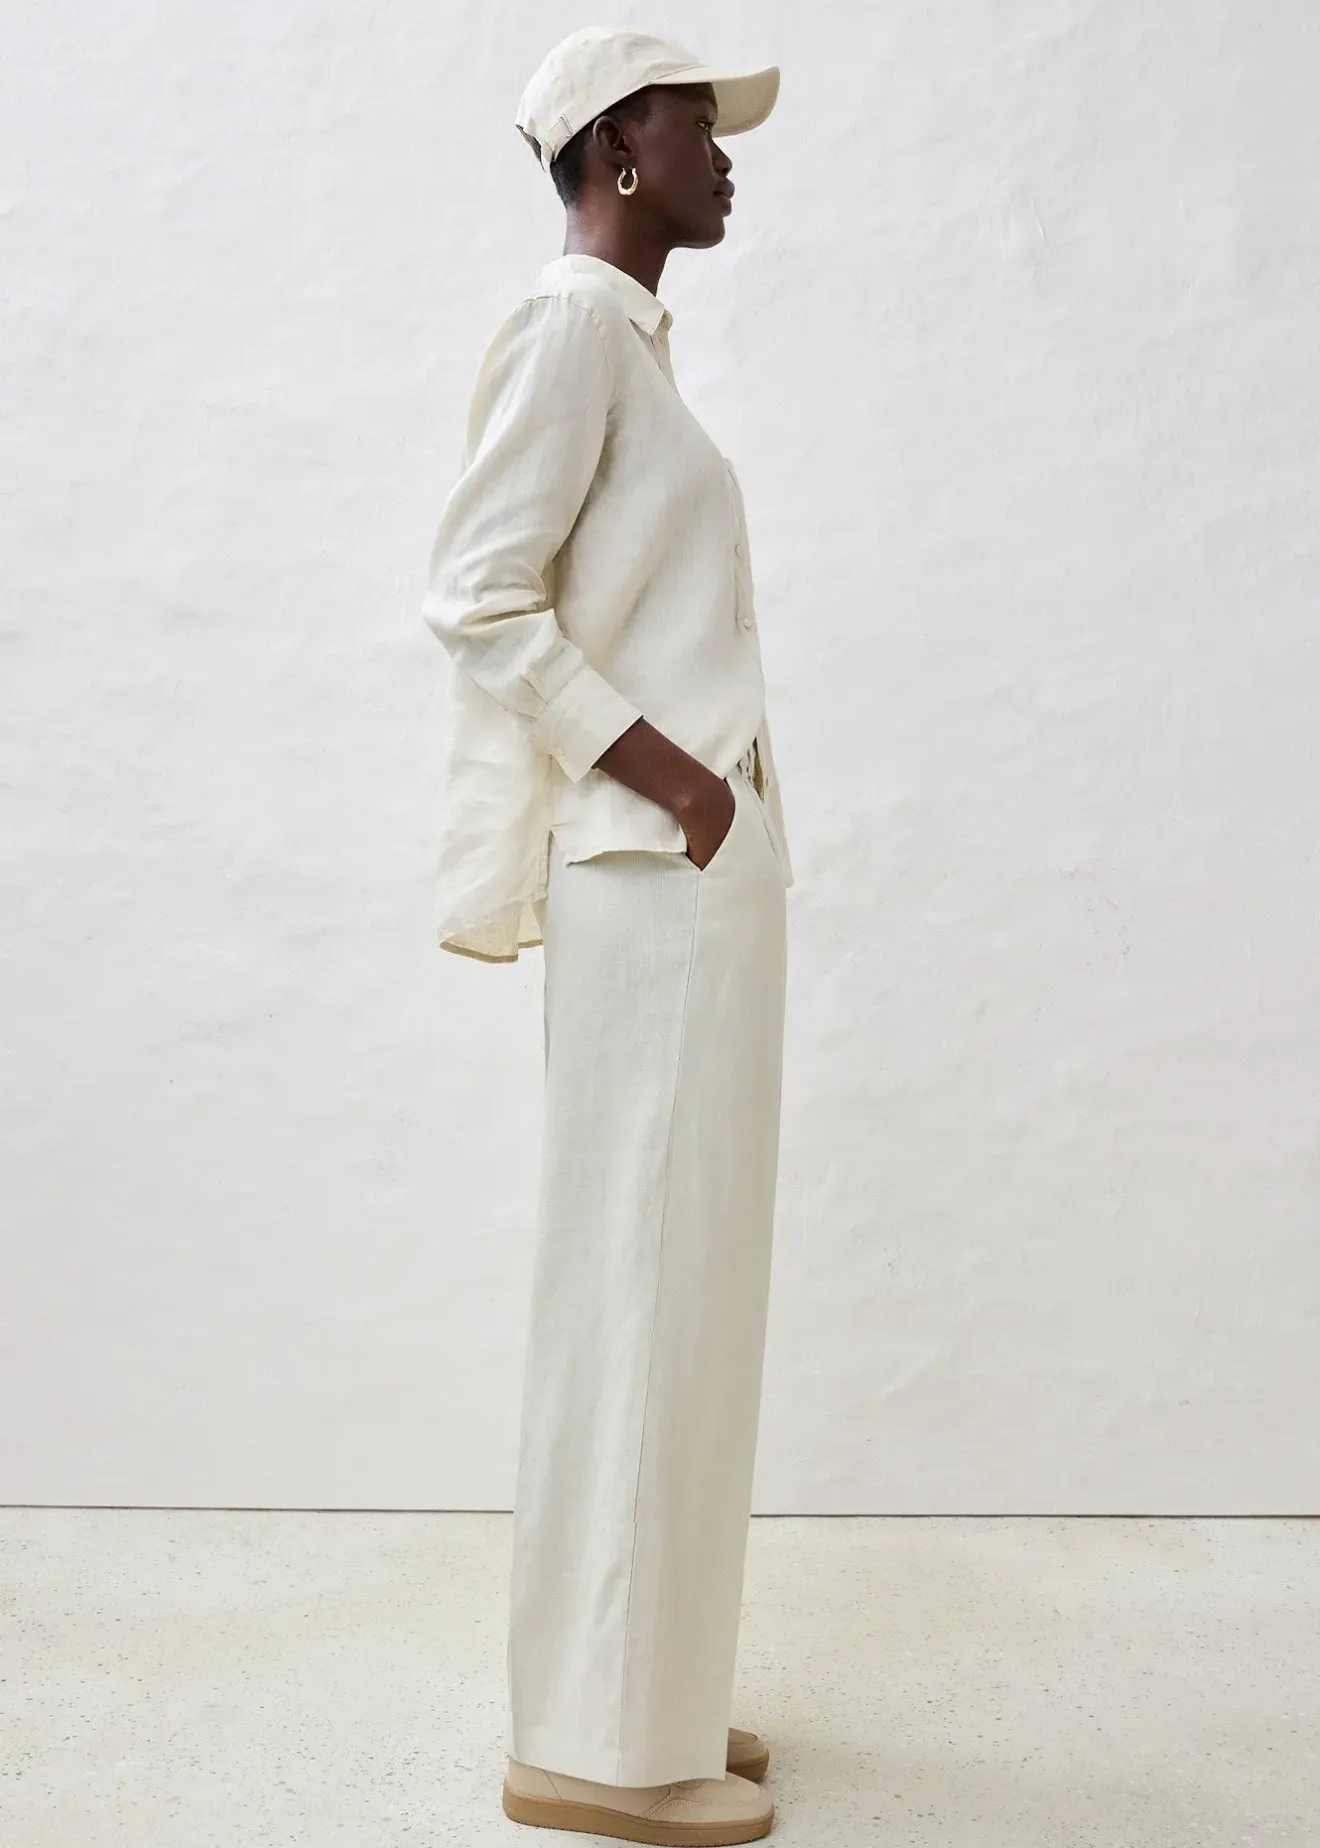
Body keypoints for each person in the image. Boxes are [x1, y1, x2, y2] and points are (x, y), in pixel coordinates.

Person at [422, 27, 793, 1845]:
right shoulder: (572, 330)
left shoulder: (634, 350)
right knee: (639, 1291)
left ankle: (642, 1694)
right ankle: (597, 1752)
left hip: (688, 884)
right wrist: (675, 775)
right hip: (651, 872)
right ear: (613, 150)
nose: (725, 153)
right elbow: (475, 594)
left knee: (686, 1288)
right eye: (693, 124)